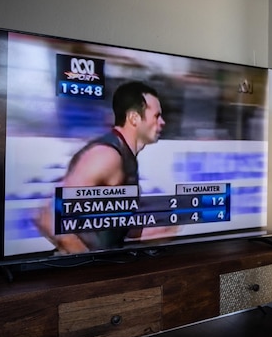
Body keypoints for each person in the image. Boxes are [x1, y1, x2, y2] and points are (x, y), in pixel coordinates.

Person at [35, 80, 170, 254]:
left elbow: (105, 224)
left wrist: (149, 232)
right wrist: (88, 264)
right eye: (157, 116)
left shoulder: (126, 156)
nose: (163, 122)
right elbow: (48, 217)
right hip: (84, 276)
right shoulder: (106, 156)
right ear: (134, 118)